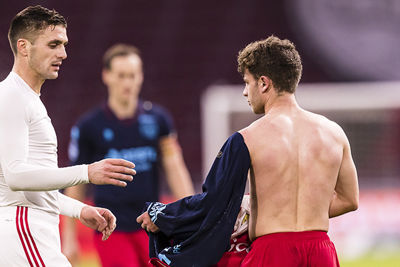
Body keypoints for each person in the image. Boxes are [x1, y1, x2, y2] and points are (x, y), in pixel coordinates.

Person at [137, 35, 359, 267]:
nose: (245, 92)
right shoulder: (335, 133)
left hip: (272, 252)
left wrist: (163, 216)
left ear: (263, 83)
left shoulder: (247, 138)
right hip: (321, 252)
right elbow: (349, 200)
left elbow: (213, 201)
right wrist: (306, 211)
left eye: (247, 82)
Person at [0, 6, 137, 267]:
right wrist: (87, 172)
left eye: (63, 44)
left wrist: (78, 210)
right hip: (23, 230)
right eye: (53, 44)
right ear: (23, 46)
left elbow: (31, 185)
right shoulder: (12, 97)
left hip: (28, 228)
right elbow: (16, 176)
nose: (62, 53)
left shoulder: (24, 99)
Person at [62, 43, 195, 267]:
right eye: (121, 75)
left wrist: (191, 217)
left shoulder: (159, 120)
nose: (127, 82)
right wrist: (69, 239)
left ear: (141, 76)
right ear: (106, 76)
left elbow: (175, 169)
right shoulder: (89, 127)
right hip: (110, 229)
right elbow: (75, 182)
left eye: (132, 75)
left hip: (152, 226)